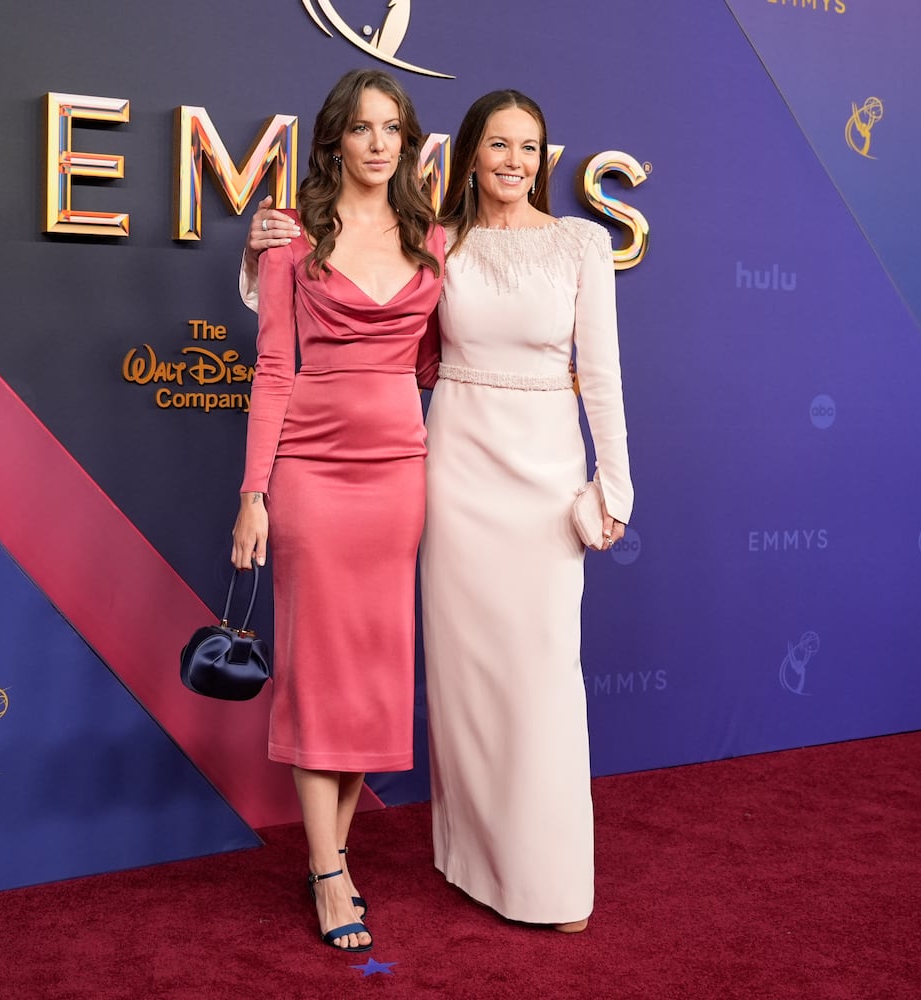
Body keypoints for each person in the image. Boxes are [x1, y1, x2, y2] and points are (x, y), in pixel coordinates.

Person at [242, 89, 632, 935]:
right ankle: (388, 867)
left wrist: (609, 480)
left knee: (469, 678)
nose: (514, 162)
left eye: (529, 147)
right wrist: (257, 489)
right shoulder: (376, 241)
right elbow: (308, 355)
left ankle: (516, 870)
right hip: (384, 471)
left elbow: (559, 369)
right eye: (497, 144)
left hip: (473, 475)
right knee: (392, 675)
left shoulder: (505, 244)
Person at [230, 67, 445, 954]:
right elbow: (273, 370)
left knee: (370, 674)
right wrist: (254, 494)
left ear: (407, 140)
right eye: (361, 128)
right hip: (311, 475)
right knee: (320, 672)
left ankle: (333, 853)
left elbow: (436, 365)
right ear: (334, 140)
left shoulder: (435, 239)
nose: (377, 142)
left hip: (399, 474)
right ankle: (327, 873)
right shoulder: (291, 238)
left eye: (391, 127)